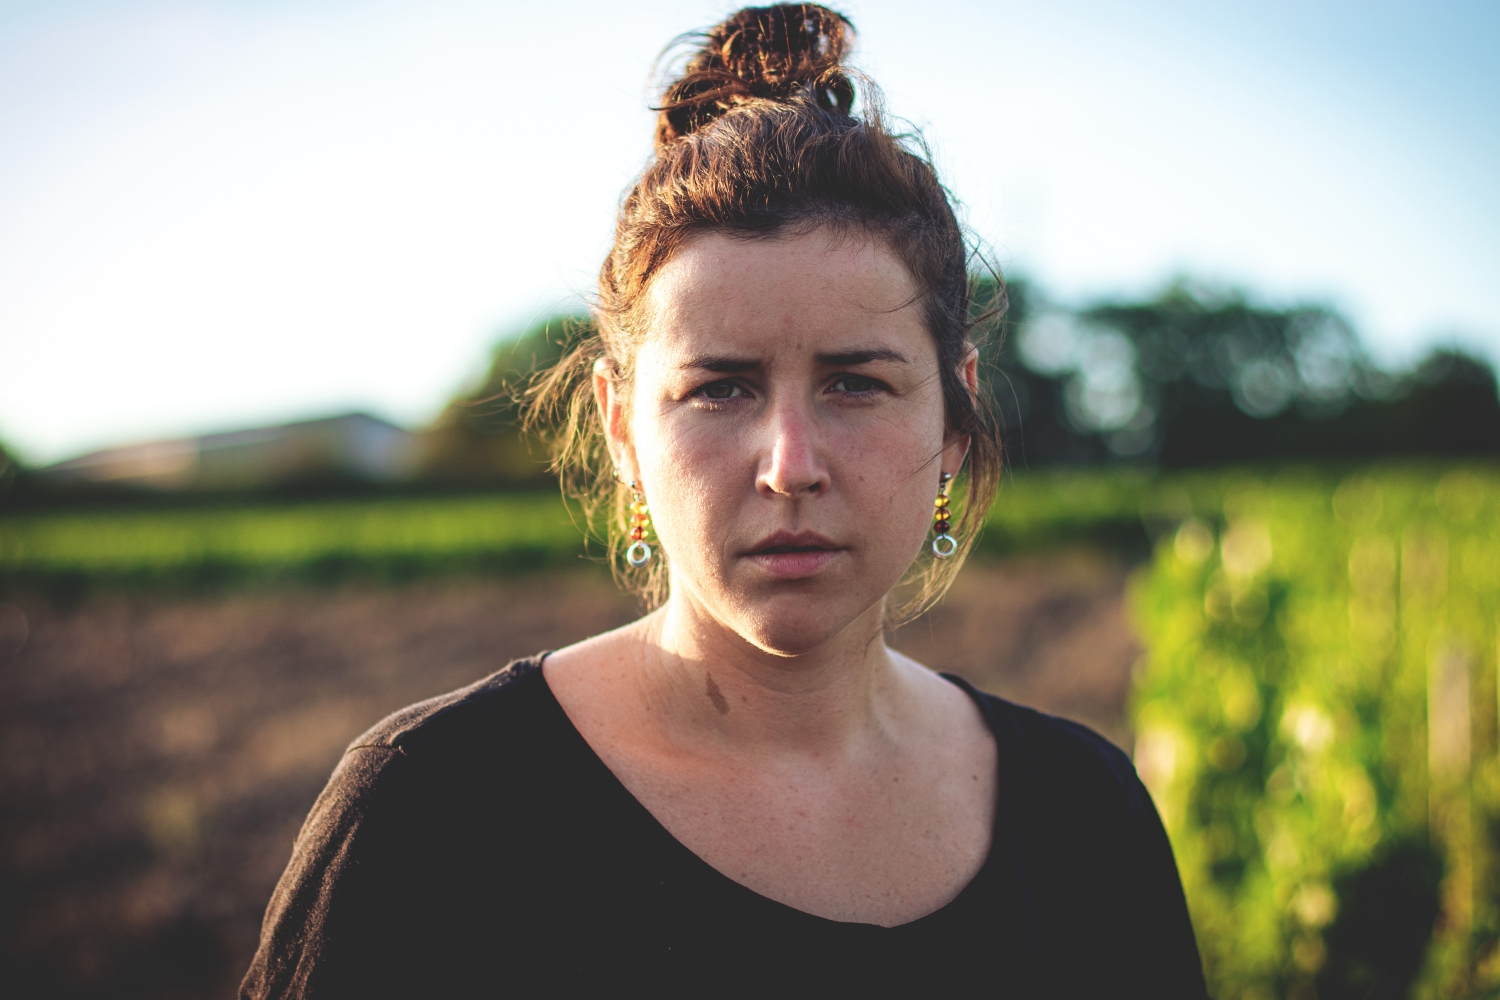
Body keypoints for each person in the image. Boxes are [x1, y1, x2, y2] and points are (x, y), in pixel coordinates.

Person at [240, 5, 1206, 996]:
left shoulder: (1088, 818)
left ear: (955, 418)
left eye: (855, 383)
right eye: (721, 389)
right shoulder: (432, 810)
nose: (791, 466)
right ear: (622, 429)